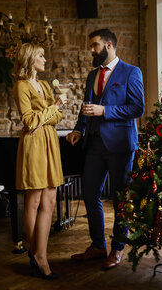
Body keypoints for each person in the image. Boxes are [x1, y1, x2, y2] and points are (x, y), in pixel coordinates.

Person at [66, 29, 145, 269]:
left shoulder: (131, 72)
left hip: (121, 145)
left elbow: (137, 108)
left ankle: (118, 248)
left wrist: (105, 112)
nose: (91, 50)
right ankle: (98, 245)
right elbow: (85, 106)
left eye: (95, 45)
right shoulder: (92, 75)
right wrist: (79, 129)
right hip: (94, 144)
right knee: (90, 194)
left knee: (120, 198)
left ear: (108, 45)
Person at [13, 43, 67, 279]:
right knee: (33, 200)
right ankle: (38, 255)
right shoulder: (21, 86)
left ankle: (39, 253)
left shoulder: (45, 85)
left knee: (51, 199)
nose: (45, 59)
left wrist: (48, 114)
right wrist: (52, 108)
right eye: (41, 56)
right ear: (30, 59)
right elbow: (28, 120)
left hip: (49, 142)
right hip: (33, 145)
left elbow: (57, 119)